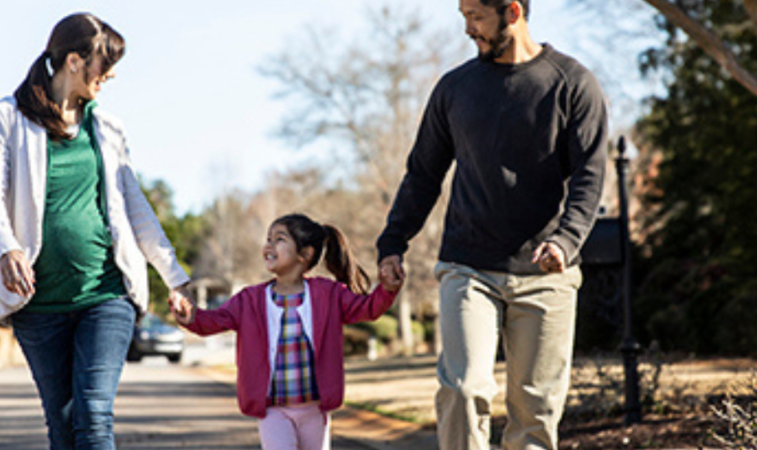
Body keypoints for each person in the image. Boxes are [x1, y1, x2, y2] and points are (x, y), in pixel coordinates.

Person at [375, 0, 608, 449]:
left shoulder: (573, 84)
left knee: (535, 413)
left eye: (475, 16)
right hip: (469, 264)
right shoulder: (454, 89)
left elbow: (590, 176)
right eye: (463, 16)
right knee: (462, 390)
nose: (467, 29)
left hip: (546, 272)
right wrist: (393, 242)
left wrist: (565, 240)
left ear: (513, 12)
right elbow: (423, 174)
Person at [0, 13, 191, 450]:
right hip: (38, 302)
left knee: (93, 417)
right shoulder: (8, 117)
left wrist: (175, 276)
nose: (109, 74)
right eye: (103, 63)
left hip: (105, 294)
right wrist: (7, 248)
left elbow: (136, 209)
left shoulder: (108, 128)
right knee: (63, 424)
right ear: (74, 61)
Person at [170, 213, 403, 450]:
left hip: (314, 409)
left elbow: (368, 308)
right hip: (273, 411)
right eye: (268, 239)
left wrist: (386, 290)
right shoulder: (250, 299)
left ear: (305, 254)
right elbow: (215, 320)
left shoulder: (328, 294)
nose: (268, 246)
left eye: (279, 239)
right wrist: (192, 317)